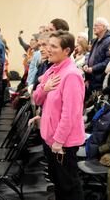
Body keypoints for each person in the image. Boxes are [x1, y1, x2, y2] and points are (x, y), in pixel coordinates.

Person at [33, 30, 85, 200]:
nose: (48, 49)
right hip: (50, 138)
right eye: (49, 45)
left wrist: (59, 141)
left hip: (62, 143)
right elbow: (37, 98)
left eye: (54, 46)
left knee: (68, 186)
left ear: (67, 51)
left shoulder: (71, 75)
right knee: (58, 183)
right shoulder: (53, 70)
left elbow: (70, 114)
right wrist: (45, 88)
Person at [83, 17, 110, 93]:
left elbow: (108, 60)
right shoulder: (96, 40)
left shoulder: (108, 41)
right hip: (92, 79)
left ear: (104, 27)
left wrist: (93, 68)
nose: (93, 27)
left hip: (100, 80)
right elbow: (91, 56)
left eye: (96, 25)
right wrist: (86, 65)